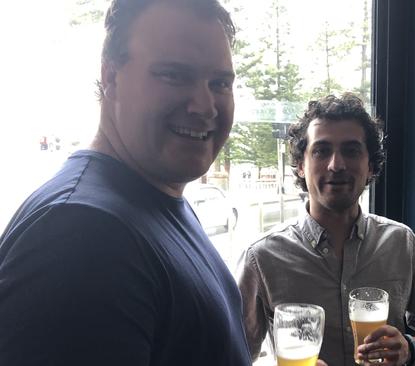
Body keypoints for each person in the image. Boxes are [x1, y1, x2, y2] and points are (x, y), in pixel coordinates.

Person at [0, 0, 255, 365]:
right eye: (174, 75)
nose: (205, 105)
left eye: (220, 83)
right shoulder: (81, 235)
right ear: (111, 77)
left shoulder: (154, 202)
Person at [237, 94, 415, 366]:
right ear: (300, 166)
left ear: (370, 166)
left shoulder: (401, 243)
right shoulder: (261, 258)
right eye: (321, 150)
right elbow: (232, 355)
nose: (337, 164)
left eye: (351, 150)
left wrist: (409, 348)